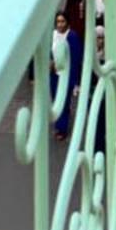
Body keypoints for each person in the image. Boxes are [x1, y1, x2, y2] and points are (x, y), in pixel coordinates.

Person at [49, 10, 82, 140]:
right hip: (54, 74)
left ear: (67, 22)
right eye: (58, 21)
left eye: (62, 21)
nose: (60, 24)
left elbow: (76, 59)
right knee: (56, 99)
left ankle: (62, 129)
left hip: (66, 75)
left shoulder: (72, 36)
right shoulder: (53, 35)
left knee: (64, 100)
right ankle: (59, 122)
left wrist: (75, 81)